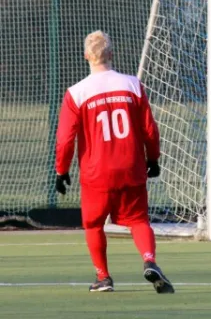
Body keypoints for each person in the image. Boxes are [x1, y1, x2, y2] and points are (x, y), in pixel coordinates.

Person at [55, 31, 174, 293]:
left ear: (86, 55)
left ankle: (103, 277)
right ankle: (149, 260)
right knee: (139, 220)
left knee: (94, 224)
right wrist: (153, 158)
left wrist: (61, 170)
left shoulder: (76, 92)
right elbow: (149, 129)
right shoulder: (132, 84)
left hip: (96, 173)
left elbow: (65, 139)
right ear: (111, 53)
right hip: (131, 167)